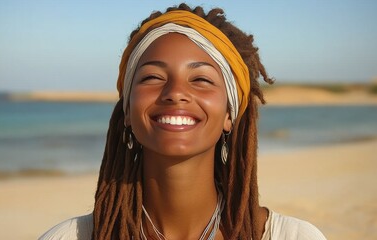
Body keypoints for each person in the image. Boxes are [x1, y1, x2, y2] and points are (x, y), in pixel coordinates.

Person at [39, 3, 326, 240]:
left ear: (229, 114)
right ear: (127, 110)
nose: (175, 93)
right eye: (153, 77)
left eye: (201, 79)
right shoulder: (68, 237)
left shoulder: (294, 236)